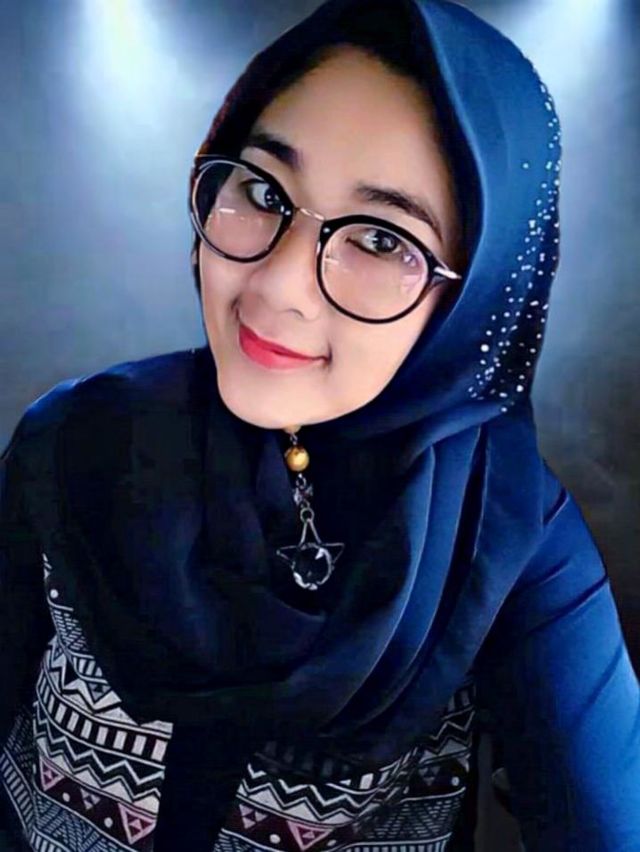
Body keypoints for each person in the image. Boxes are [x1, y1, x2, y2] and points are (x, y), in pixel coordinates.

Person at [1, 0, 639, 850]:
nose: (278, 285)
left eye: (381, 241)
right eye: (264, 191)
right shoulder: (77, 437)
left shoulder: (507, 539)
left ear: (478, 297)